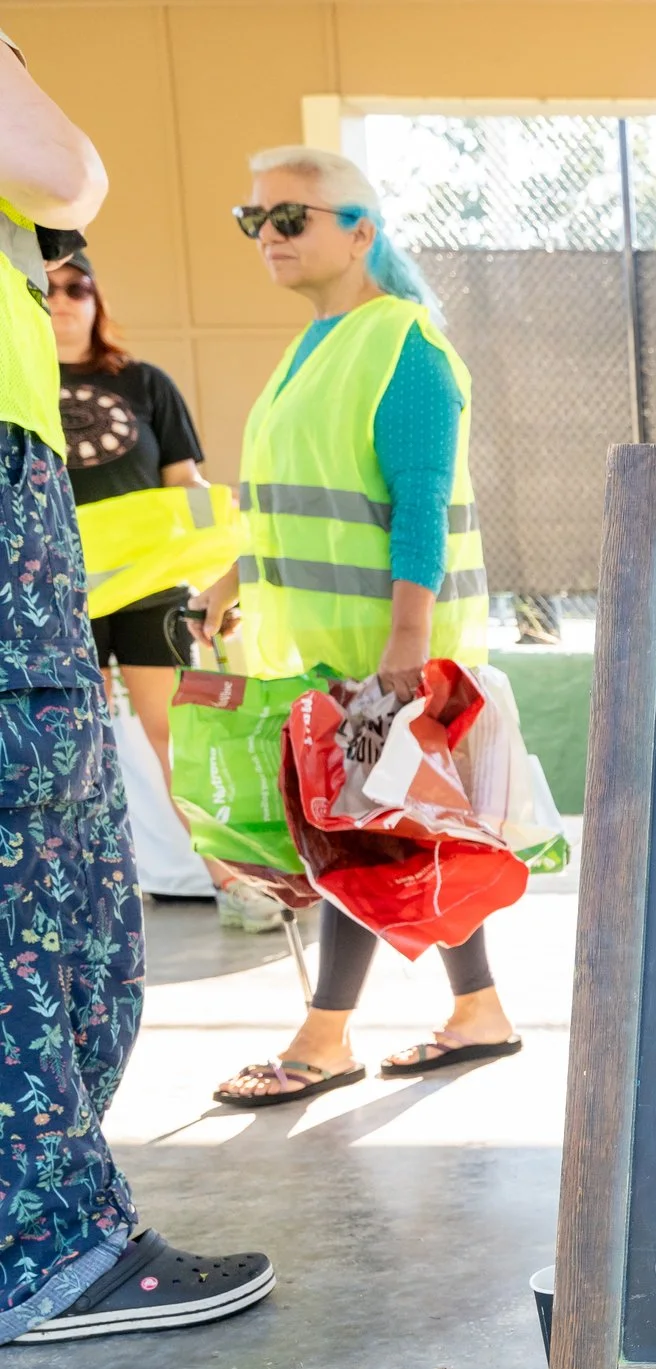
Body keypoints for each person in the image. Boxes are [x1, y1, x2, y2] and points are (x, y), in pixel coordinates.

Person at [0, 29, 273, 1343]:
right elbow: (64, 168)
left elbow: (183, 493)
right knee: (38, 835)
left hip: (128, 579)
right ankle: (43, 1243)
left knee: (93, 787)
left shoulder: (138, 380)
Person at [196, 145, 520, 1109]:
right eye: (253, 219)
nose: (268, 236)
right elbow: (312, 502)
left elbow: (419, 502)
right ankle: (480, 1012)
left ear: (360, 233)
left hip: (387, 643)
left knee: (357, 830)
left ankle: (323, 1036)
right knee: (414, 825)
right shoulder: (321, 345)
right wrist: (238, 573)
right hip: (334, 640)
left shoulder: (403, 344)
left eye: (290, 217)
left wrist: (404, 655)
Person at [48, 249, 277, 932]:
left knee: (175, 739)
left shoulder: (146, 384)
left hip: (151, 594)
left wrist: (220, 581)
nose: (62, 302)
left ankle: (235, 882)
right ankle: (67, 903)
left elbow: (188, 491)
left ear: (97, 299)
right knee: (62, 749)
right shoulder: (15, 386)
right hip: (54, 599)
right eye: (48, 291)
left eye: (76, 288)